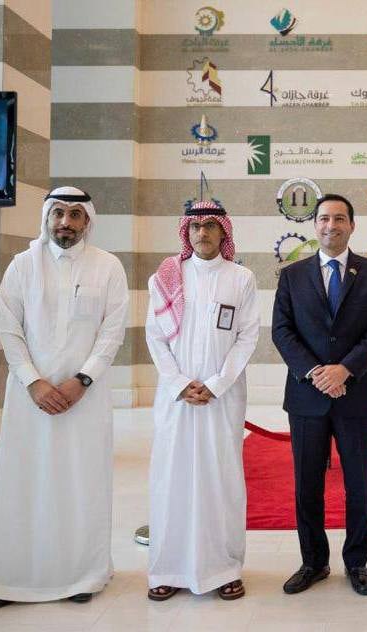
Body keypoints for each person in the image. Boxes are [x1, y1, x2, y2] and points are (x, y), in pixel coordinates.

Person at [0, 186, 129, 608]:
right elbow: (9, 329)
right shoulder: (22, 266)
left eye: (74, 215)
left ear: (88, 221)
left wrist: (82, 380)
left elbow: (112, 332)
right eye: (58, 213)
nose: (65, 222)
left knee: (81, 483)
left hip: (85, 398)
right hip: (30, 398)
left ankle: (82, 574)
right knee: (23, 483)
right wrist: (34, 382)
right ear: (46, 218)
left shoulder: (108, 267)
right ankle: (13, 579)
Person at [272, 193, 367, 596]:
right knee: (307, 484)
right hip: (306, 397)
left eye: (340, 218)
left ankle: (357, 563)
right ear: (315, 225)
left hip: (355, 395)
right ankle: (313, 562)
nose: (331, 225)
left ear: (352, 226)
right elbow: (282, 330)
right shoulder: (292, 275)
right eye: (324, 218)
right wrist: (315, 372)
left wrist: (345, 369)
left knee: (359, 484)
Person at [145, 199, 260, 601]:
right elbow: (155, 337)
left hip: (221, 398)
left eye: (211, 225)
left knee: (220, 479)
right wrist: (179, 383)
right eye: (195, 226)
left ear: (223, 231)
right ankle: (167, 568)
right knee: (171, 479)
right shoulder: (165, 277)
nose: (202, 232)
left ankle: (225, 568)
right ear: (186, 231)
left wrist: (216, 383)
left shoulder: (241, 278)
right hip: (176, 397)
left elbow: (247, 335)